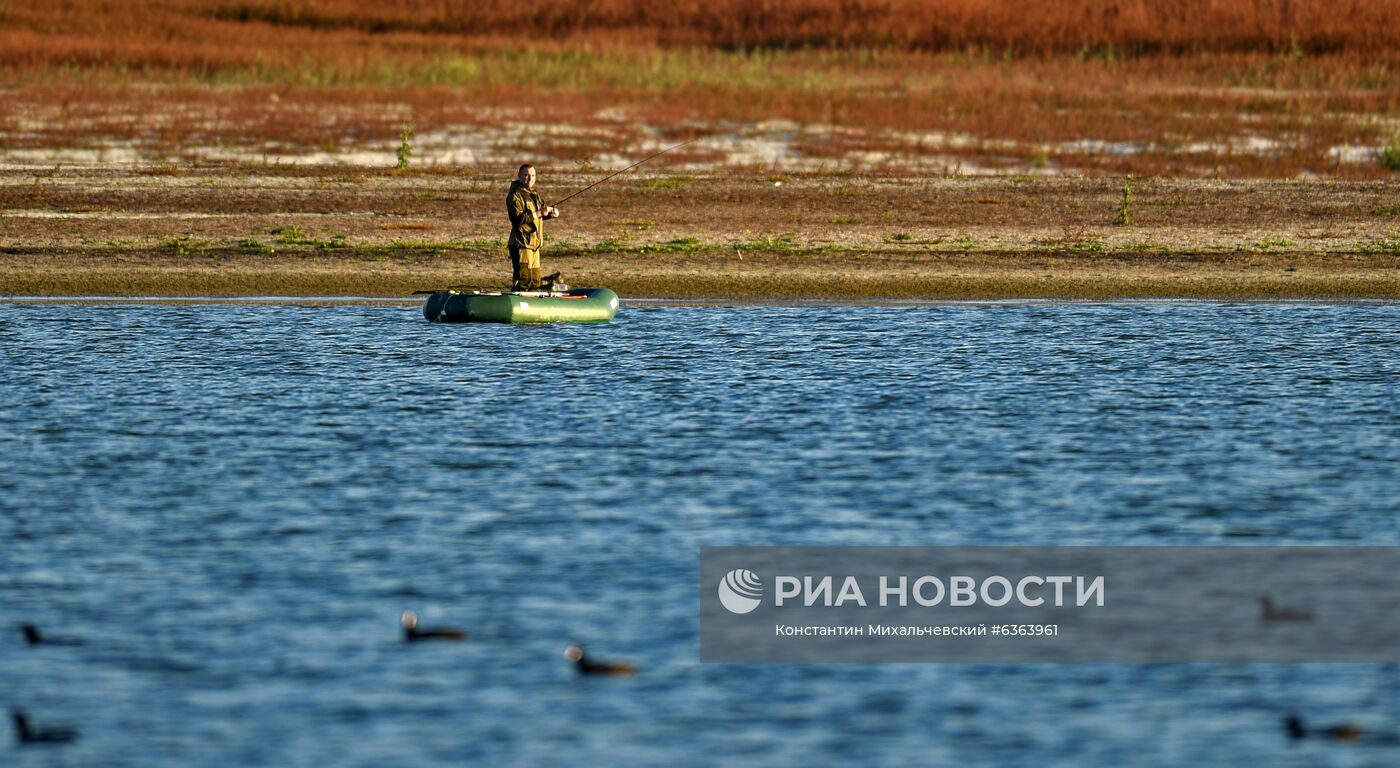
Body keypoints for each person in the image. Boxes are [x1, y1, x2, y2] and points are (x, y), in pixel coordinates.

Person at [506, 164, 564, 292]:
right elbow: (516, 219)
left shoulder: (534, 194)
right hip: (521, 243)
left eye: (532, 175)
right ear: (519, 176)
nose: (529, 178)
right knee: (523, 281)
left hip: (534, 244)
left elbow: (539, 215)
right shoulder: (515, 194)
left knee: (535, 281)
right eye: (526, 175)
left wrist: (551, 214)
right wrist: (539, 213)